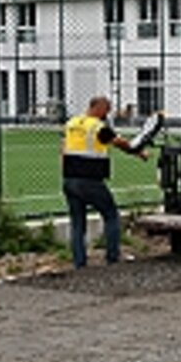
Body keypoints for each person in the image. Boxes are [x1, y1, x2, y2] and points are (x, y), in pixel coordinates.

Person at [61, 96, 149, 269]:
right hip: (91, 181)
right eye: (106, 109)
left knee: (78, 223)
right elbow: (119, 143)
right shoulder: (98, 127)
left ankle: (79, 263)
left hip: (70, 180)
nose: (107, 114)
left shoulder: (71, 123)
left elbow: (62, 149)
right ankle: (112, 258)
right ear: (98, 108)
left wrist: (65, 176)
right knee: (111, 216)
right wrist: (138, 152)